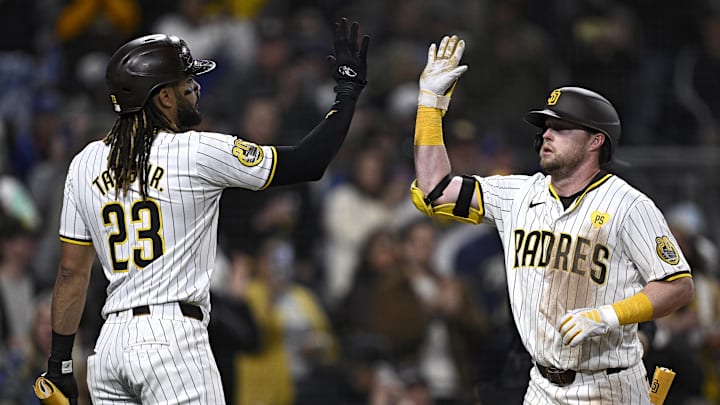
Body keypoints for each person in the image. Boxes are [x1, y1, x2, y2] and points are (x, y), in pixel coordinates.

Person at [39, 18, 369, 404]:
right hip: (172, 341)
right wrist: (347, 91)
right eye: (186, 82)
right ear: (163, 98)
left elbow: (70, 272)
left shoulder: (85, 162)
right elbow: (308, 163)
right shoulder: (195, 152)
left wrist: (60, 363)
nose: (196, 87)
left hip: (109, 345)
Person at [410, 35, 694, 404]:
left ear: (596, 141)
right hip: (540, 385)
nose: (546, 134)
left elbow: (677, 285)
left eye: (561, 128)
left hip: (609, 386)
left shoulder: (629, 205)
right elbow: (434, 189)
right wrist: (430, 107)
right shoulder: (517, 194)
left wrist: (610, 315)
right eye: (545, 127)